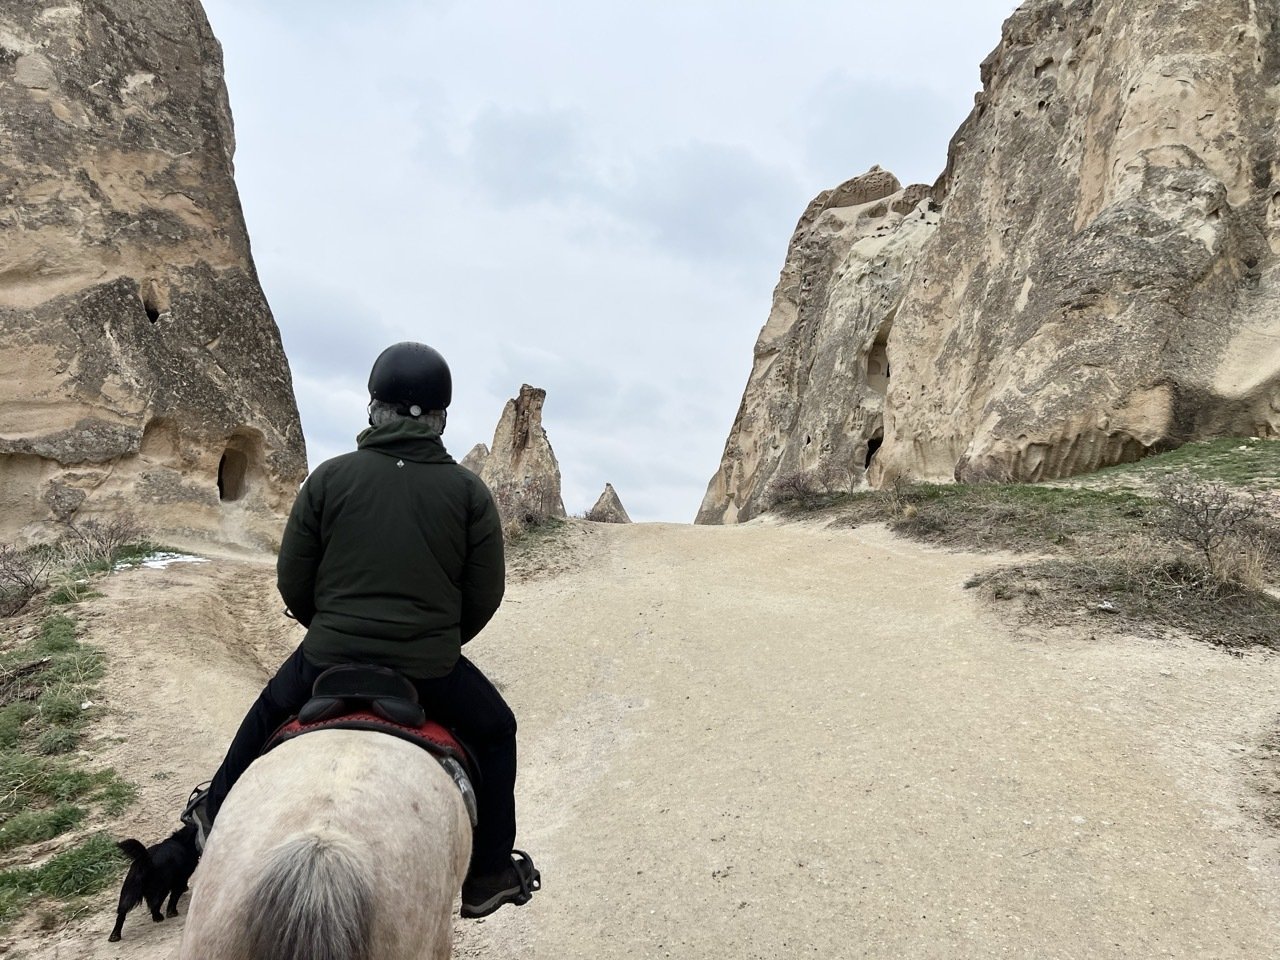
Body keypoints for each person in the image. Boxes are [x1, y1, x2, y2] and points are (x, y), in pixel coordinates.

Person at [182, 341, 538, 919]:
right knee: (497, 732)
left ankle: (210, 816)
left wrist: (327, 626)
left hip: (328, 655)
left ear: (374, 407)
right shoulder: (469, 493)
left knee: (267, 712)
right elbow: (484, 595)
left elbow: (293, 579)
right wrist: (436, 637)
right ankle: (489, 875)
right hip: (430, 667)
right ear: (441, 416)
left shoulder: (328, 479)